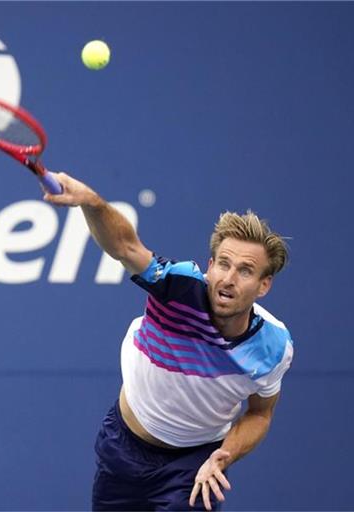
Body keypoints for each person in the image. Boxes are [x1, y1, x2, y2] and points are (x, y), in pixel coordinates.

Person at [43, 172, 294, 511]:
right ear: (210, 265)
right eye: (223, 264)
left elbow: (260, 415)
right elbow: (125, 247)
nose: (229, 279)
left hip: (193, 466)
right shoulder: (177, 286)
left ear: (264, 285)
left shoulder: (273, 346)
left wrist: (223, 457)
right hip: (123, 448)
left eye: (246, 271)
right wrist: (93, 203)